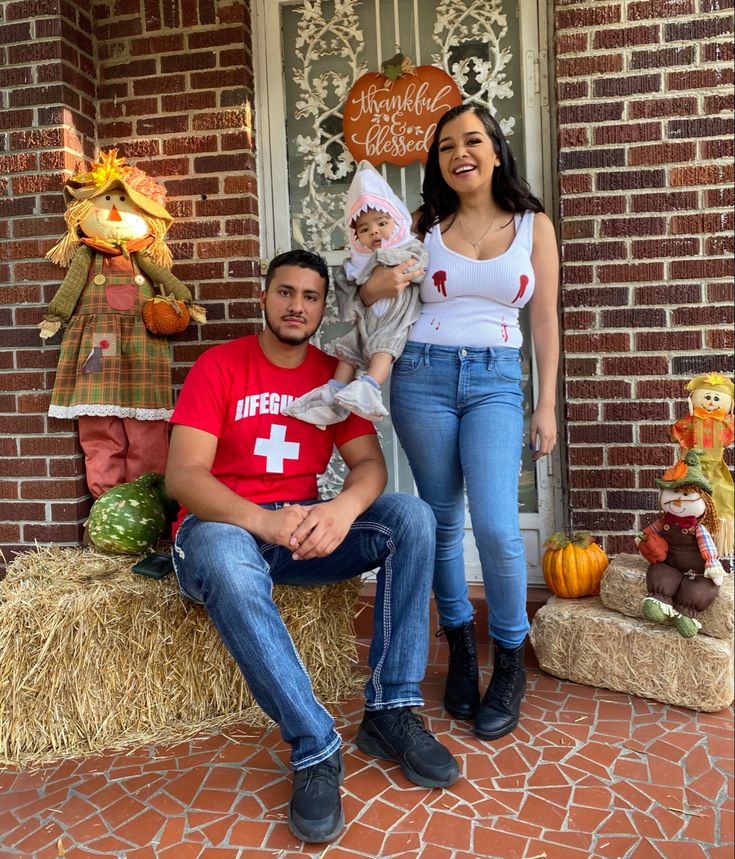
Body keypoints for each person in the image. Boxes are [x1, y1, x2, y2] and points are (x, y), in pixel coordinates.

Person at [165, 249, 459, 844]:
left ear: (325, 307)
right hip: (223, 529)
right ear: (265, 297)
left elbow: (369, 465)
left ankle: (391, 710)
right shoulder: (220, 366)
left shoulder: (335, 376)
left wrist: (340, 509)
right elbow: (185, 476)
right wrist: (262, 522)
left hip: (300, 533)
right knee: (225, 553)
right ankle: (314, 745)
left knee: (411, 517)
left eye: (310, 296)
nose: (296, 305)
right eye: (285, 292)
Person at [361, 103, 560, 741]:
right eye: (446, 146)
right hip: (420, 375)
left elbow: (547, 322)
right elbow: (367, 293)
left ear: (495, 151)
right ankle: (460, 650)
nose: (459, 153)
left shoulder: (534, 227)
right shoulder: (422, 224)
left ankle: (508, 660)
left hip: (497, 380)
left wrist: (546, 403)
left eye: (472, 140)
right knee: (443, 521)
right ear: (439, 163)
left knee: (499, 528)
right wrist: (380, 279)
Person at [284, 160, 426, 425]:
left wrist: (384, 260)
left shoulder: (409, 249)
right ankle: (334, 392)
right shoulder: (354, 265)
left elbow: (420, 270)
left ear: (397, 221)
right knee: (349, 349)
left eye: (382, 223)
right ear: (355, 237)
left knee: (385, 347)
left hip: (394, 320)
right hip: (366, 322)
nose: (374, 231)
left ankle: (369, 387)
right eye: (364, 229)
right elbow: (348, 301)